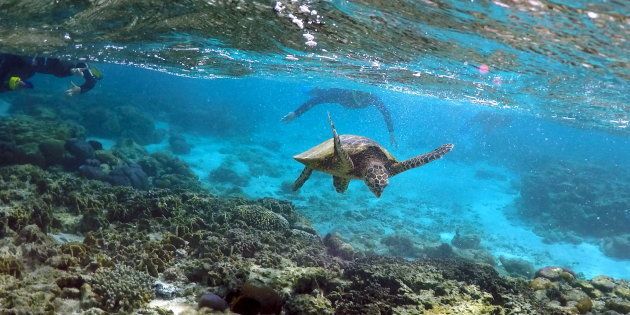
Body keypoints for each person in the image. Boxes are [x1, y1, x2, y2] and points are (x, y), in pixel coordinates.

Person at [282, 88, 397, 146]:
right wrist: (296, 113)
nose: (362, 98)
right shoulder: (341, 94)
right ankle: (307, 89)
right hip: (333, 91)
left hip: (343, 99)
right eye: (359, 93)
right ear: (353, 90)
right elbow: (316, 101)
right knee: (318, 93)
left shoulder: (372, 98)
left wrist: (391, 132)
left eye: (366, 94)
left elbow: (385, 112)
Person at [0, 53, 101, 95]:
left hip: (24, 68)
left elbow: (91, 82)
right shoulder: (11, 58)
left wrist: (80, 90)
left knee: (9, 84)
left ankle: (21, 85)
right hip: (19, 63)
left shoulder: (81, 62)